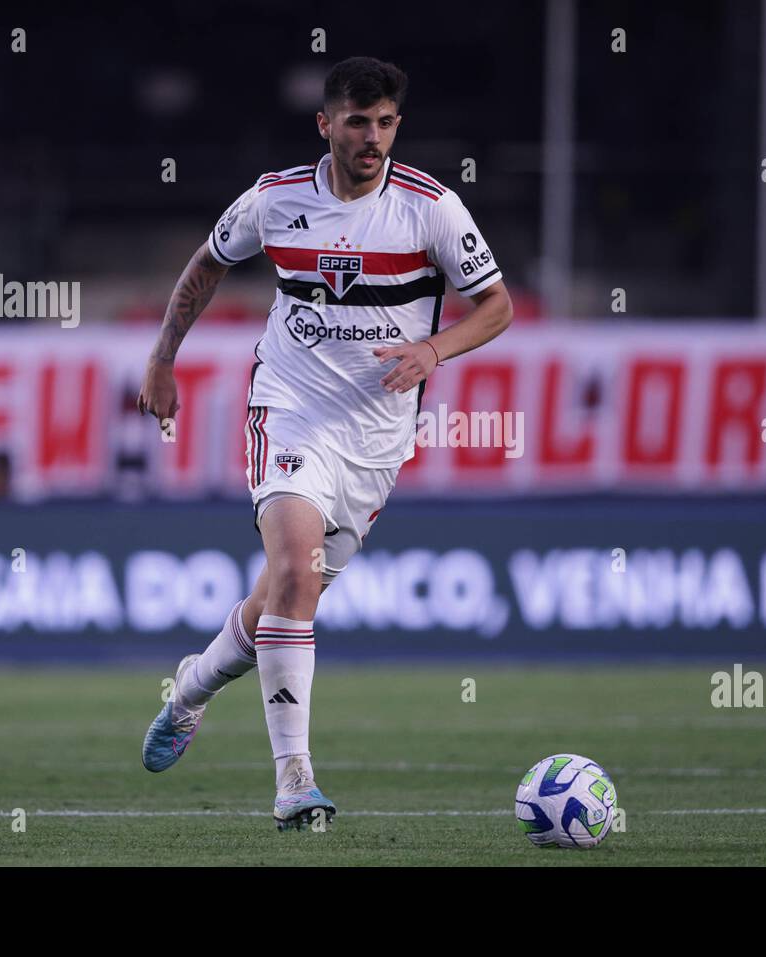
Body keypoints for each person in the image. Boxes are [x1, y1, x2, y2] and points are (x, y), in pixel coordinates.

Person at [137, 56, 512, 830]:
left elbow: (496, 304)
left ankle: (190, 689)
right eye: (356, 123)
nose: (371, 139)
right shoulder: (276, 201)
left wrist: (434, 350)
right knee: (294, 573)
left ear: (396, 125)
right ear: (326, 124)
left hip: (375, 441)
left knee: (285, 596)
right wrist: (162, 357)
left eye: (384, 124)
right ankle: (294, 779)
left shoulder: (432, 210)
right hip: (290, 406)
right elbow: (208, 265)